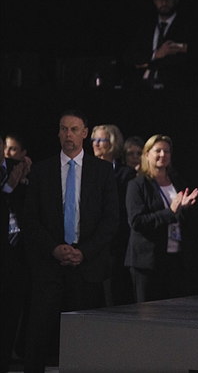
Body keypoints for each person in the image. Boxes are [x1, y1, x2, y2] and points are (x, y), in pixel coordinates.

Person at [22, 110, 119, 372]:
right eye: (64, 129)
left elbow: (111, 219)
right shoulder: (42, 170)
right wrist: (53, 248)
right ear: (58, 133)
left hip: (86, 267)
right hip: (49, 266)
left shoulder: (102, 171)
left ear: (85, 133)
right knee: (38, 336)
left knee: (85, 340)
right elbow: (30, 219)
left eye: (74, 129)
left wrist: (84, 252)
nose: (68, 134)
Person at [124, 134, 198, 303]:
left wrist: (185, 208)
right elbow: (136, 221)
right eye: (158, 151)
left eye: (167, 151)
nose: (163, 155)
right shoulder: (137, 185)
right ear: (147, 154)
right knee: (149, 313)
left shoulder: (177, 182)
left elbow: (185, 219)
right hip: (148, 262)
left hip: (175, 259)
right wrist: (170, 212)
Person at [91, 124, 137, 306]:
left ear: (113, 143)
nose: (96, 144)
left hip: (117, 242)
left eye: (101, 140)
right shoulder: (85, 171)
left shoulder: (126, 174)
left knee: (115, 292)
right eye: (94, 140)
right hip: (91, 242)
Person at [122, 0, 192, 91]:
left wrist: (145, 63)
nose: (164, 2)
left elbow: (185, 59)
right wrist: (156, 54)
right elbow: (129, 57)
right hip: (141, 85)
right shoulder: (145, 26)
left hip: (172, 86)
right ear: (154, 0)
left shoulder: (186, 26)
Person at [1, 136, 31, 373]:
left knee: (12, 312)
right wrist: (9, 186)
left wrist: (24, 180)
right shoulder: (10, 176)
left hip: (19, 252)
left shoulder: (18, 167)